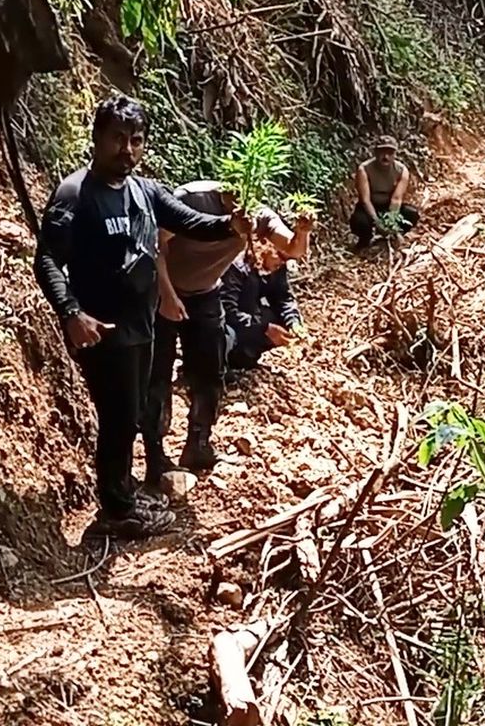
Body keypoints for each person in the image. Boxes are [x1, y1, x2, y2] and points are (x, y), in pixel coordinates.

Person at [33, 95, 253, 539]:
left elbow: (194, 223)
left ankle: (123, 492)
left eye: (135, 140)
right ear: (96, 139)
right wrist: (72, 313)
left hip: (142, 325)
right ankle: (117, 511)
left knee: (130, 414)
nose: (126, 149)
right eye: (117, 139)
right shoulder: (76, 194)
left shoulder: (146, 192)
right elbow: (47, 260)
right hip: (102, 329)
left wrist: (232, 226)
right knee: (117, 417)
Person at [143, 183, 311, 477]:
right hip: (163, 290)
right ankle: (155, 454)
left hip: (205, 292)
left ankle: (199, 443)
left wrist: (304, 229)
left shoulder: (258, 214)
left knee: (211, 369)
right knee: (157, 373)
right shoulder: (191, 199)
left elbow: (293, 249)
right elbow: (155, 245)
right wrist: (167, 296)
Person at [221, 239, 307, 371]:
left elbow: (283, 297)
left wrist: (293, 322)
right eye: (280, 256)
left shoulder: (276, 267)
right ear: (266, 249)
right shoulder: (237, 266)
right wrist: (263, 329)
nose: (282, 262)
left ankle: (245, 357)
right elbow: (227, 310)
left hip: (251, 318)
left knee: (281, 322)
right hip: (228, 323)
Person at [350, 135, 420, 249]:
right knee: (359, 221)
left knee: (411, 214)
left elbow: (396, 199)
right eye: (382, 152)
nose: (385, 157)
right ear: (376, 153)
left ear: (395, 154)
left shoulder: (401, 170)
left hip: (389, 206)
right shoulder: (364, 169)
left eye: (390, 153)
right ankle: (365, 240)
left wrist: (391, 222)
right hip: (370, 206)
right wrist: (378, 223)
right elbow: (365, 200)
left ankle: (394, 236)